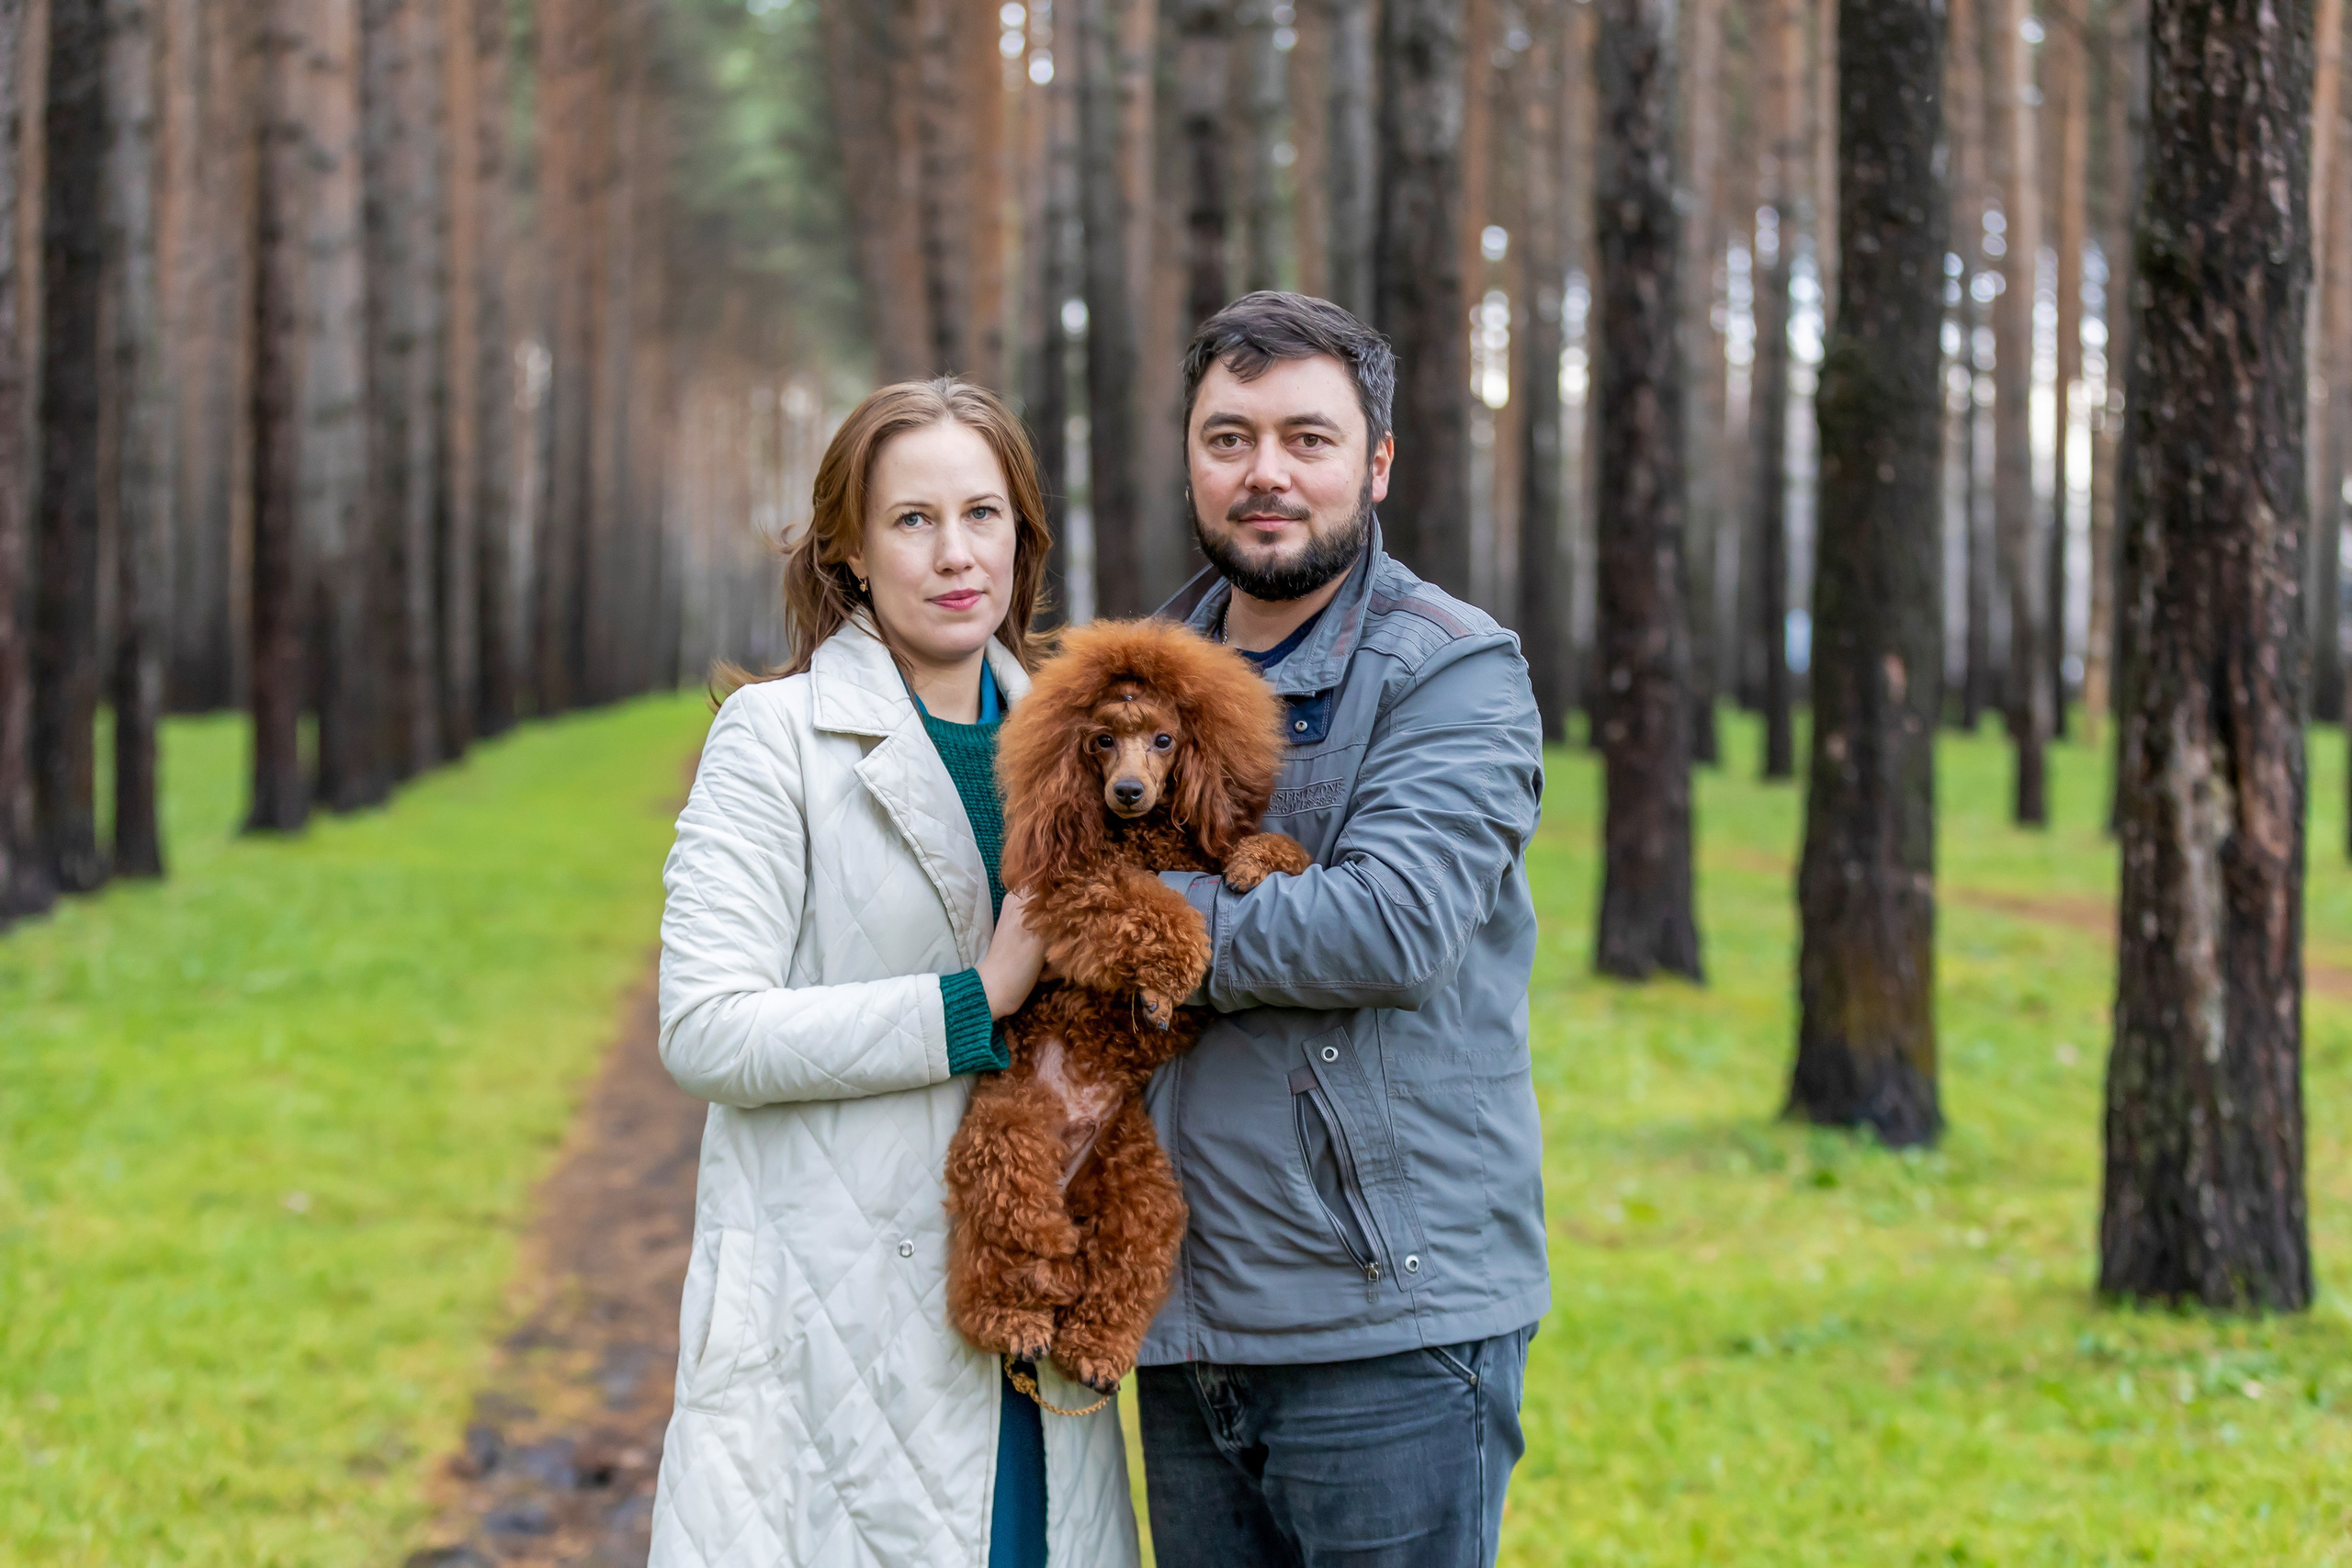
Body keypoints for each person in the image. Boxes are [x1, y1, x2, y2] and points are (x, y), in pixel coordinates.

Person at [647, 379, 1138, 1568]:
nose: (955, 552)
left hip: (1035, 1306)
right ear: (850, 554)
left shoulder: (1084, 750)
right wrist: (976, 999)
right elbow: (706, 1028)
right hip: (841, 1329)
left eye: (984, 514)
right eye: (912, 520)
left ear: (1023, 538)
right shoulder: (773, 742)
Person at [1137, 291, 1549, 1568]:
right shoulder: (1140, 674)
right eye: (1230, 438)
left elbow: (1388, 925)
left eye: (1307, 439)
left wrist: (1124, 922)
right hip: (1183, 1318)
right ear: (1192, 459)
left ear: (1375, 465)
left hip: (1384, 1327)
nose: (1266, 473)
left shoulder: (1450, 670)